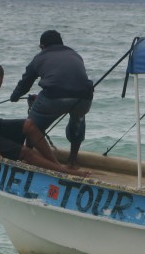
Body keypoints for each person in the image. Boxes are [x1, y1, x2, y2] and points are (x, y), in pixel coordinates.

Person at [0, 61, 83, 176]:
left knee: (29, 125)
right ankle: (64, 172)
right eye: (2, 81)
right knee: (26, 153)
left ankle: (56, 164)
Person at [9, 30, 94, 166]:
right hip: (84, 97)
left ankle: (28, 158)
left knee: (32, 125)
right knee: (78, 121)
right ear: (61, 43)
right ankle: (72, 160)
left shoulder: (39, 57)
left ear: (42, 46)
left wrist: (15, 96)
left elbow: (25, 83)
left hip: (54, 97)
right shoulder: (75, 55)